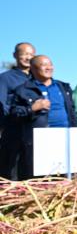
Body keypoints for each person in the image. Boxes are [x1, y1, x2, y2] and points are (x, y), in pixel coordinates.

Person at [9, 56, 76, 178]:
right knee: (42, 180)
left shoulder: (63, 87)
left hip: (65, 139)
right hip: (39, 143)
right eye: (44, 65)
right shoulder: (23, 90)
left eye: (50, 64)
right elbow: (15, 114)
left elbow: (72, 112)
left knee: (63, 178)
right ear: (33, 68)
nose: (48, 67)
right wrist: (32, 108)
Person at [0, 42, 35, 180]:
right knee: (13, 175)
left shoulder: (37, 78)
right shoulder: (5, 78)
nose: (28, 57)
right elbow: (1, 105)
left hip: (33, 134)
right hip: (13, 132)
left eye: (31, 54)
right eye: (24, 54)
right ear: (15, 55)